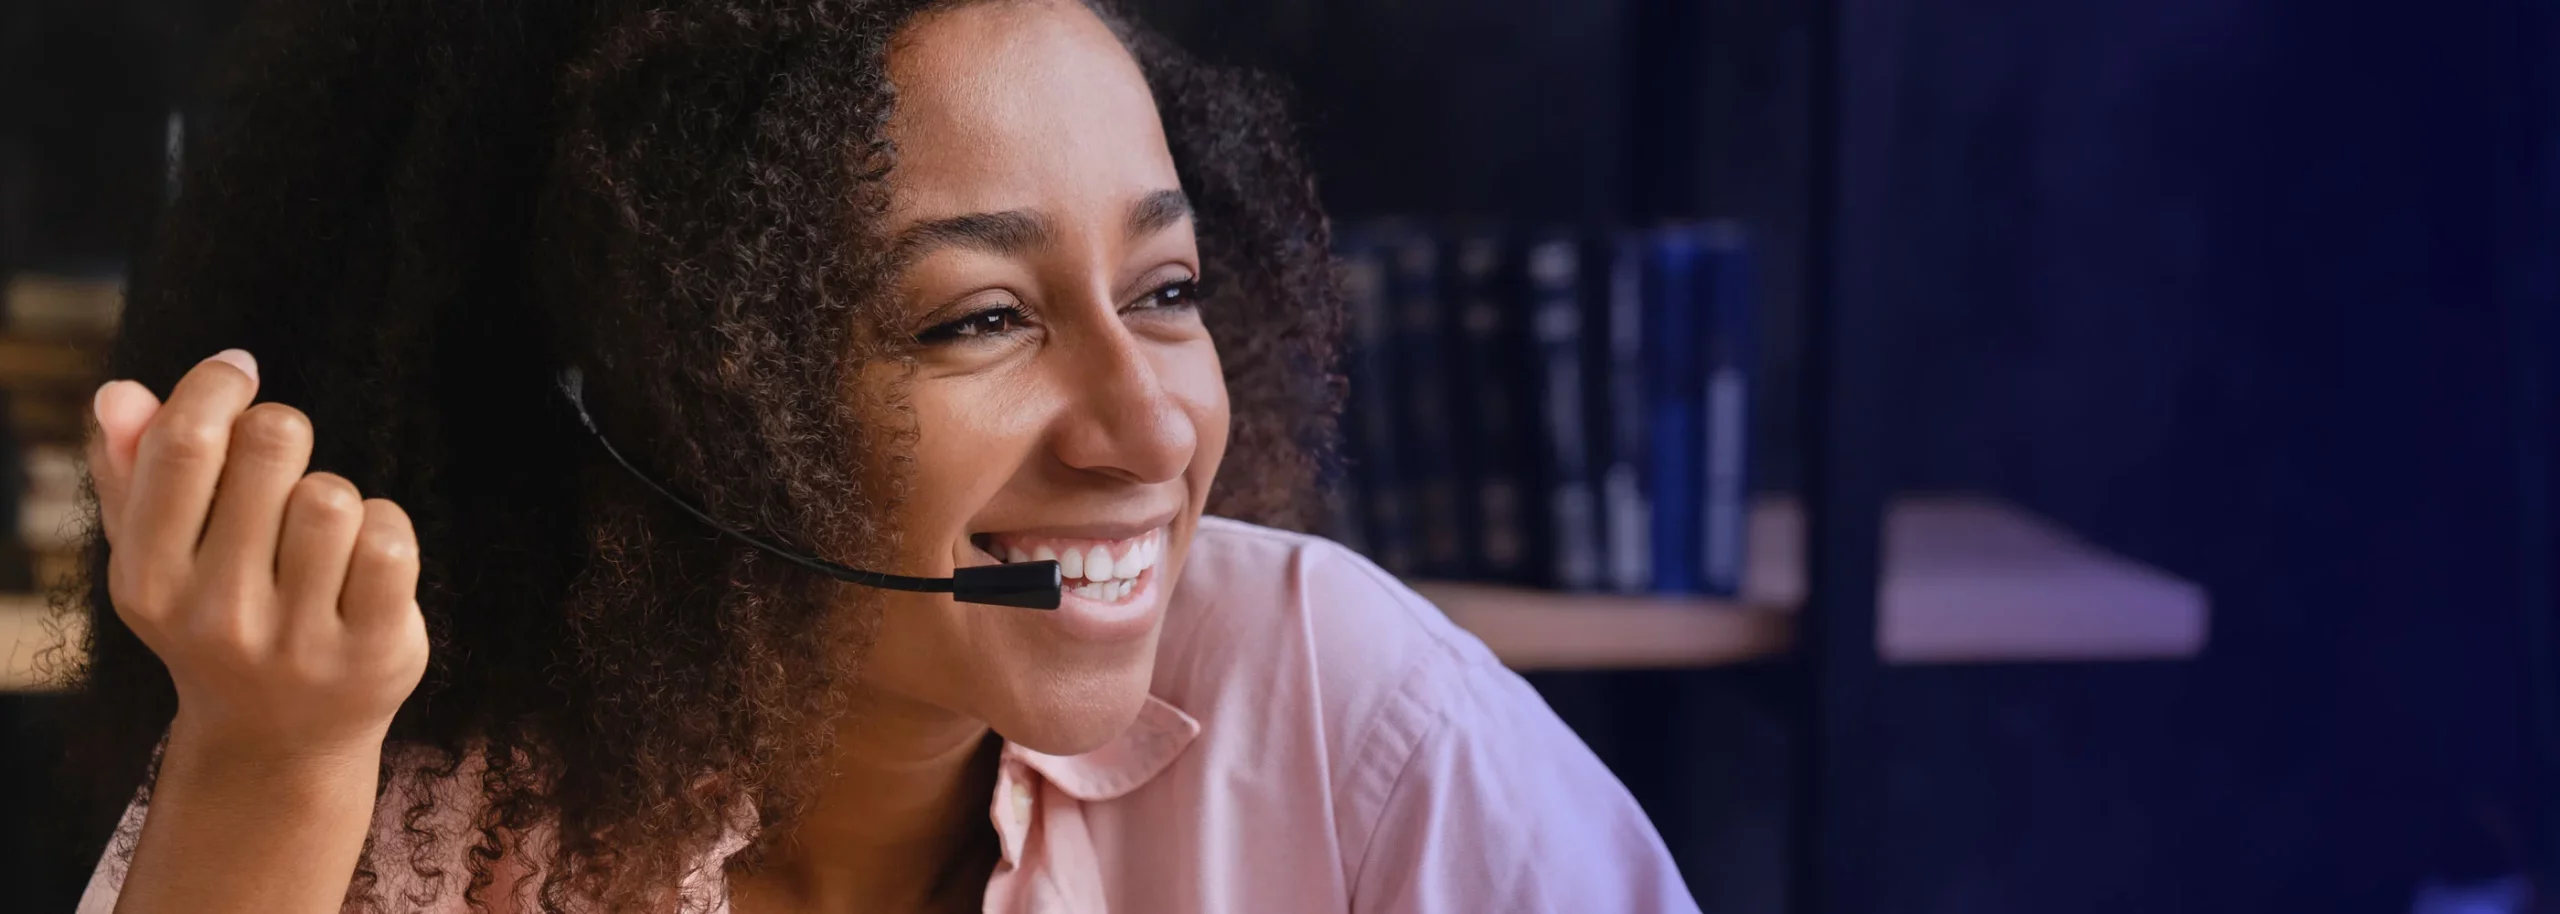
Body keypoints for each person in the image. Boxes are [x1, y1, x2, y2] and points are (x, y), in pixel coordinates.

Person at [60, 0, 1700, 911]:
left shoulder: (1351, 710)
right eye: (978, 318)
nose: (1149, 430)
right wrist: (266, 768)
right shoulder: (411, 797)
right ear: (655, 383)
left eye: (1168, 289)